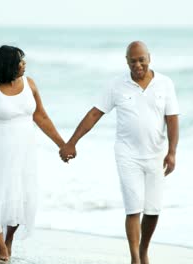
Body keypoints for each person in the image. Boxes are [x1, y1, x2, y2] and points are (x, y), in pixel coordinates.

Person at [59, 41, 179, 264]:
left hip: (156, 155)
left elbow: (172, 119)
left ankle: (143, 252)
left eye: (141, 59)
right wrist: (71, 142)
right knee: (133, 206)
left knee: (152, 210)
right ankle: (135, 258)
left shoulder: (165, 84)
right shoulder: (116, 85)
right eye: (133, 60)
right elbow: (95, 114)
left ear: (149, 58)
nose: (138, 64)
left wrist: (172, 152)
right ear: (127, 61)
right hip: (127, 155)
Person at [0, 45, 65, 262]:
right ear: (8, 65)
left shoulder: (29, 84)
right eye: (20, 61)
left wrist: (62, 144)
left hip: (25, 152)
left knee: (22, 198)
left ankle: (8, 240)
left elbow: (42, 117)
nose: (24, 64)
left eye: (23, 60)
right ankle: (0, 246)